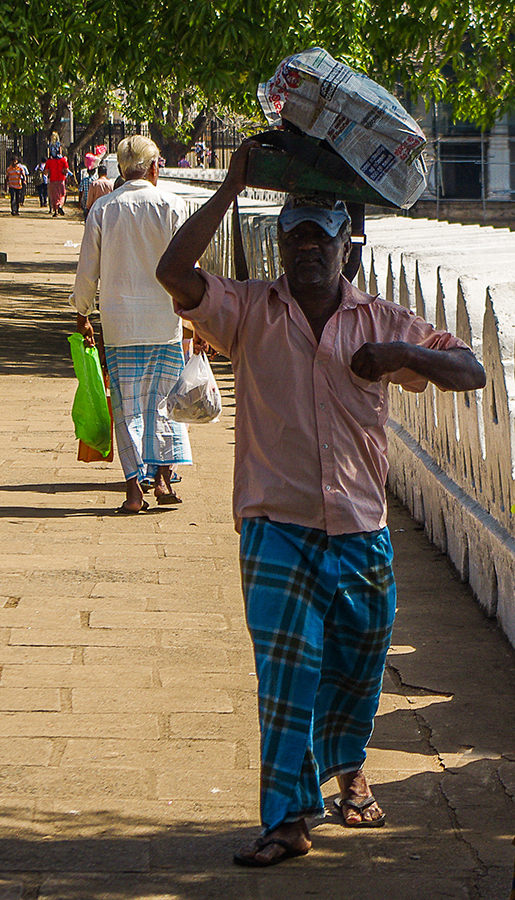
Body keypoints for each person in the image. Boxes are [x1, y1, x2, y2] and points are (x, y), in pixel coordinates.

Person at [156, 140, 486, 867]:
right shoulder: (247, 310)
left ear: (347, 249)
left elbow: (473, 369)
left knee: (360, 663)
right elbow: (173, 273)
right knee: (286, 672)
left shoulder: (381, 322)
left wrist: (406, 358)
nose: (308, 250)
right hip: (277, 525)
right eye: (296, 237)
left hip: (362, 528)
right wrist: (229, 188)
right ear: (280, 247)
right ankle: (286, 819)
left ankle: (349, 768)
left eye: (322, 238)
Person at [70, 135, 192, 513]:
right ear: (155, 167)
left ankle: (133, 490)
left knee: (127, 407)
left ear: (122, 169)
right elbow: (188, 267)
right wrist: (197, 321)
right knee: (163, 405)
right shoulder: (173, 205)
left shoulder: (104, 209)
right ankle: (161, 479)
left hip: (120, 324)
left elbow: (87, 269)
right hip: (165, 322)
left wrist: (82, 315)